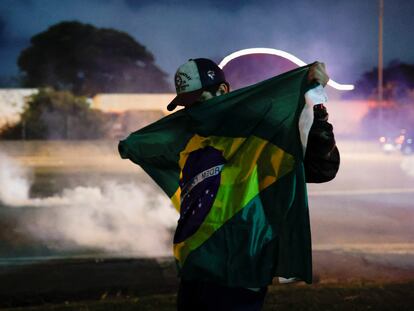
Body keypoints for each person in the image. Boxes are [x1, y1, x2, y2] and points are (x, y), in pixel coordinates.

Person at [163, 58, 340, 311]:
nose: (194, 113)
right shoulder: (192, 137)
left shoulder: (258, 135)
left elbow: (321, 168)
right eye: (187, 106)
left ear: (223, 91)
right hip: (195, 271)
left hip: (238, 276)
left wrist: (316, 106)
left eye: (199, 103)